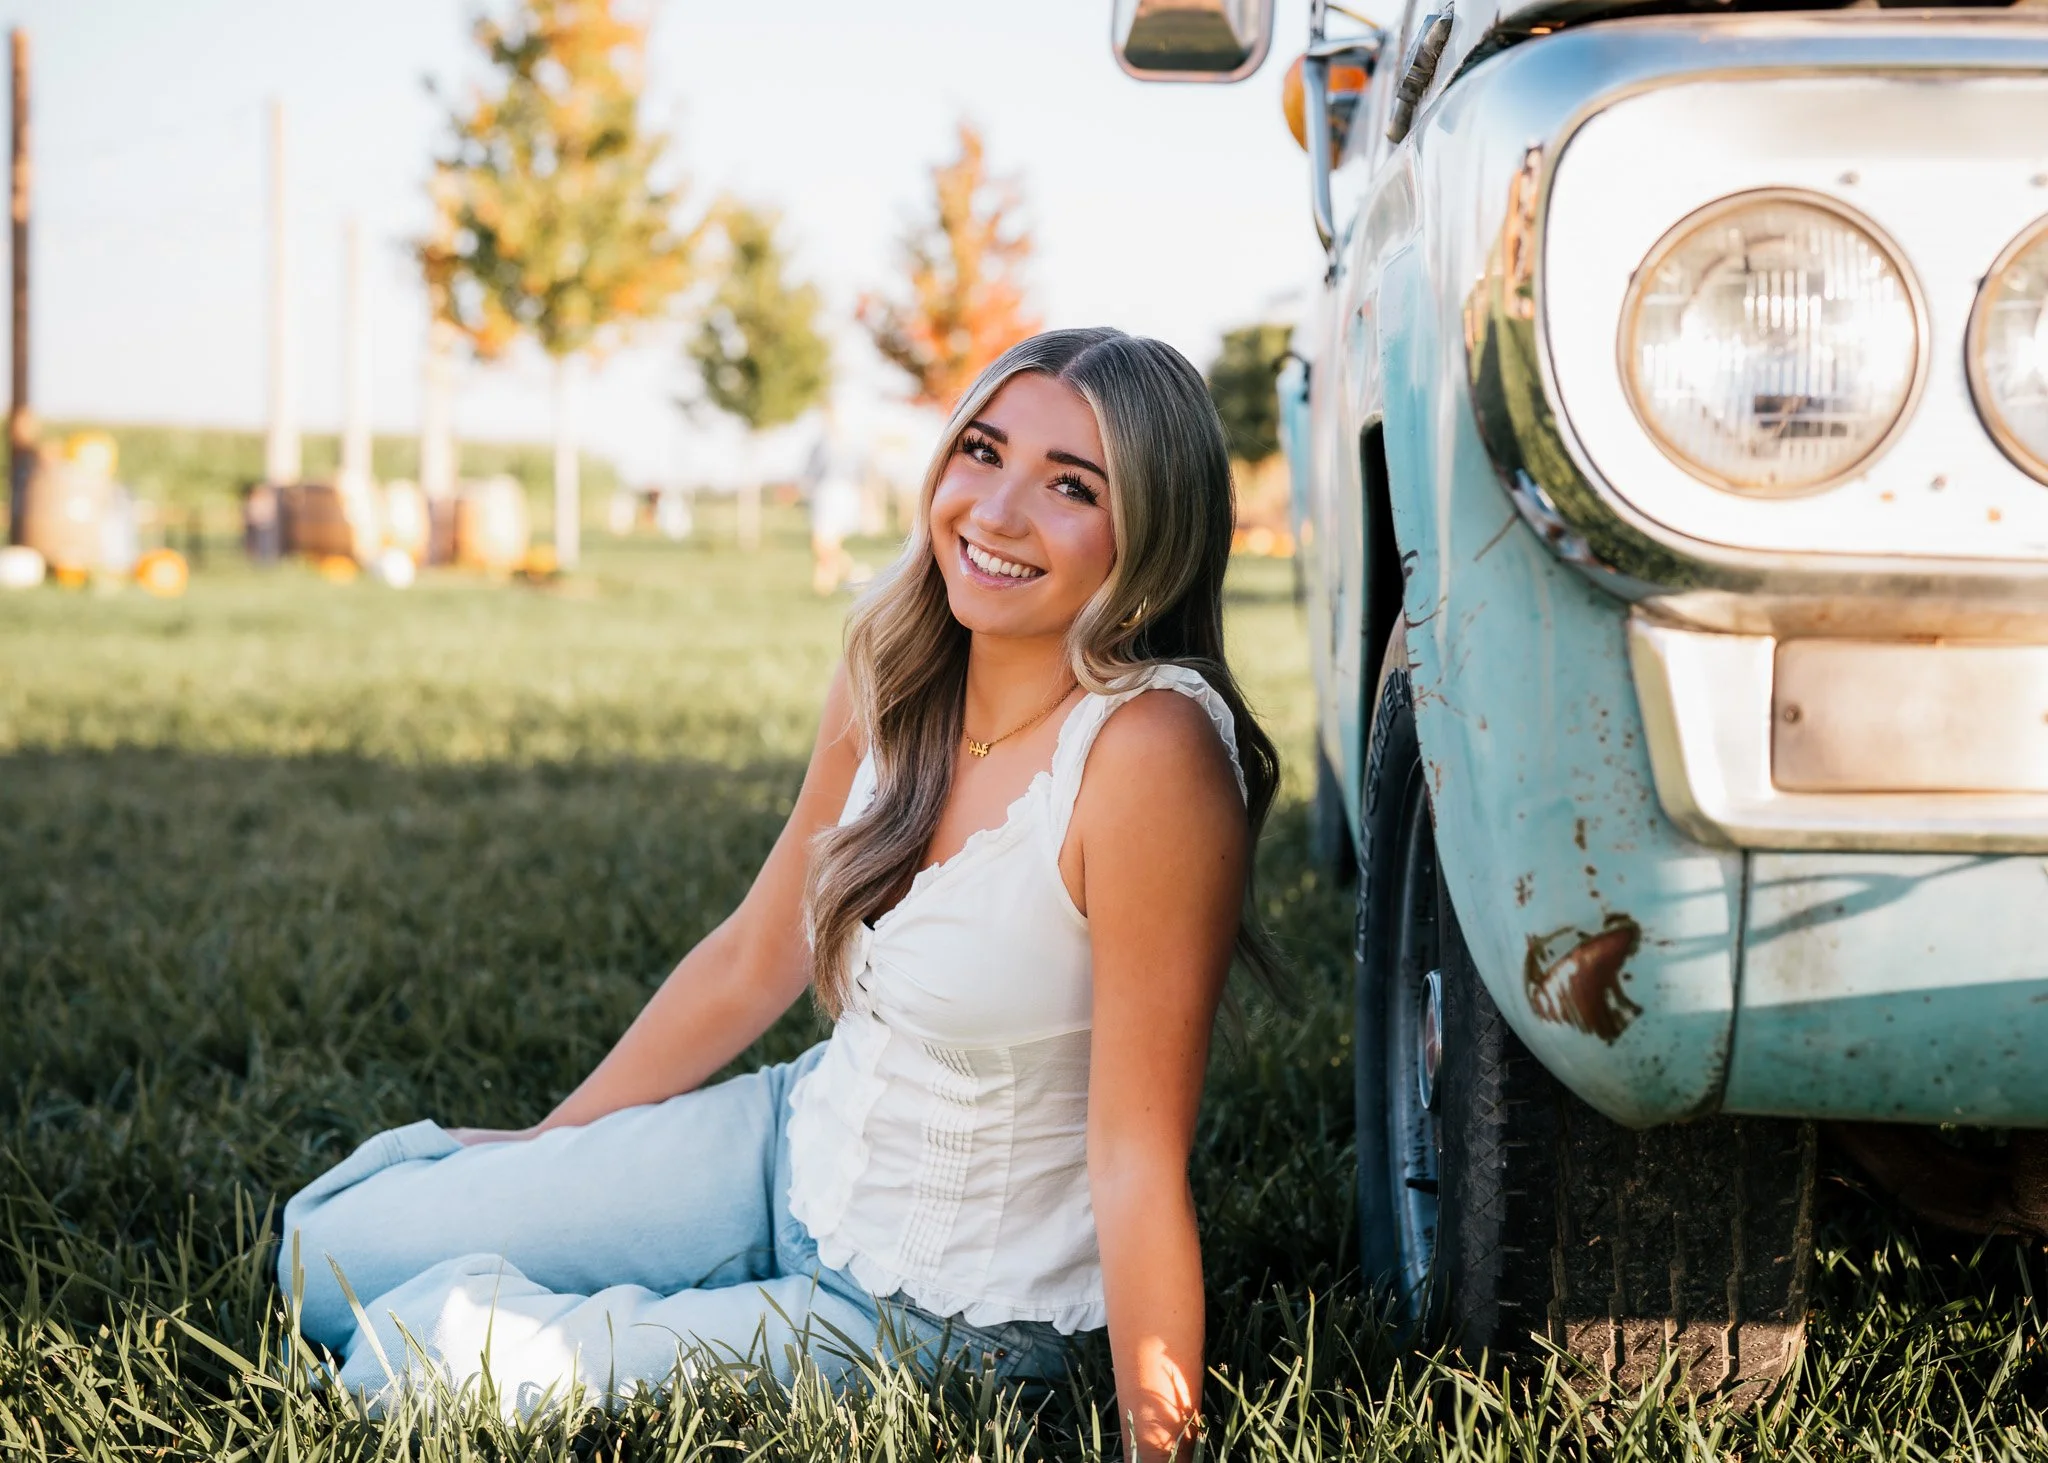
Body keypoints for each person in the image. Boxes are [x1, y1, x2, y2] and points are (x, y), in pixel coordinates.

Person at [278, 327, 1282, 1461]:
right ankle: (512, 1264)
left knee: (411, 1365)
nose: (995, 513)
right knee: (324, 1257)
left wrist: (1163, 1445)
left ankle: (511, 1315)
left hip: (931, 1319)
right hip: (790, 1148)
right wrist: (548, 1153)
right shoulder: (897, 660)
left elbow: (1137, 1154)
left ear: (1151, 532)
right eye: (982, 451)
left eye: (1069, 485)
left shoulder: (1147, 754)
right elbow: (756, 950)